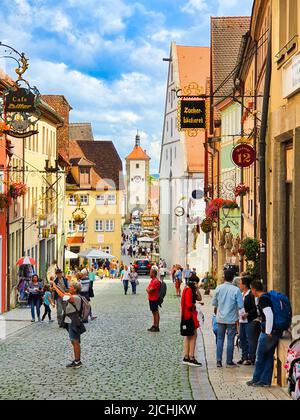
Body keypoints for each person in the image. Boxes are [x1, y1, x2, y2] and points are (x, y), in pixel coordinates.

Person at [247, 281, 282, 388]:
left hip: (268, 332)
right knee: (268, 356)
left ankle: (257, 379)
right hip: (275, 331)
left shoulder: (263, 299)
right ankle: (265, 381)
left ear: (253, 289)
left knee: (260, 356)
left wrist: (268, 332)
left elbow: (269, 315)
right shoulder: (267, 297)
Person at [212, 269, 244, 368]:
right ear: (233, 278)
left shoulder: (218, 288)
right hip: (231, 319)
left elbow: (214, 303)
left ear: (224, 277)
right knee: (230, 339)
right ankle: (229, 361)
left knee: (220, 339)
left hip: (221, 318)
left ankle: (218, 361)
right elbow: (240, 305)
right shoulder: (236, 290)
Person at [51, 280, 86, 369]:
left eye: (70, 287)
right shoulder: (74, 296)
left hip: (73, 321)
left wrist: (55, 287)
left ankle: (78, 361)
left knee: (75, 341)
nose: (69, 288)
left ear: (74, 289)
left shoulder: (76, 297)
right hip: (72, 320)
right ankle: (76, 360)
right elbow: (64, 293)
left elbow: (63, 296)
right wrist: (58, 286)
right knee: (74, 341)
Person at [238, 276, 260, 366]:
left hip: (250, 320)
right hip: (241, 320)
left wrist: (247, 314)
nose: (239, 285)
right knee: (242, 338)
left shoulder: (250, 295)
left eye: (240, 283)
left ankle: (251, 358)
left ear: (245, 285)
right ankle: (244, 357)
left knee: (250, 339)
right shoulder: (241, 294)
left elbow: (255, 309)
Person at [181, 277, 202, 367]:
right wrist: (196, 305)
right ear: (194, 283)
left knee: (188, 336)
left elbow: (199, 298)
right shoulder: (189, 290)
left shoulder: (188, 289)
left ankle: (186, 356)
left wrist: (197, 289)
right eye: (197, 283)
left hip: (186, 315)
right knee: (193, 335)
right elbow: (189, 304)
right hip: (189, 316)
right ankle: (191, 357)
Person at [146, 268, 161, 332]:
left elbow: (149, 290)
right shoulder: (152, 280)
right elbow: (148, 289)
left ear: (153, 274)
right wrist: (148, 289)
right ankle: (154, 325)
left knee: (155, 312)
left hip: (154, 299)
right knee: (153, 312)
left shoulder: (155, 281)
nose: (149, 274)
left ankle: (156, 326)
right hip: (151, 298)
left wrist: (147, 289)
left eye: (150, 272)